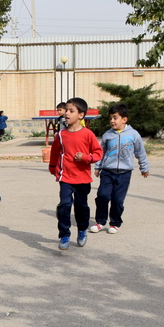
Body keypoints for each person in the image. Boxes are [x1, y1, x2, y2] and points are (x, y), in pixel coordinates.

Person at [49, 97, 103, 250]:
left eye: (71, 111)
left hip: (82, 178)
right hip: (65, 177)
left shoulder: (88, 134)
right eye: (66, 110)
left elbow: (98, 153)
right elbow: (55, 153)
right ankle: (64, 234)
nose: (66, 113)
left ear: (81, 115)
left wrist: (85, 157)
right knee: (64, 205)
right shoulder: (60, 135)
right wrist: (53, 168)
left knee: (81, 207)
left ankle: (81, 230)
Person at [90, 104, 149, 234]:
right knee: (102, 196)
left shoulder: (133, 135)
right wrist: (98, 166)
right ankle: (100, 221)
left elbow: (140, 152)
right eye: (110, 118)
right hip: (107, 171)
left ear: (124, 119)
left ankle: (115, 223)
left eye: (115, 118)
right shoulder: (107, 135)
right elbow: (101, 152)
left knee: (117, 200)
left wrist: (144, 167)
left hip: (124, 173)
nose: (112, 121)